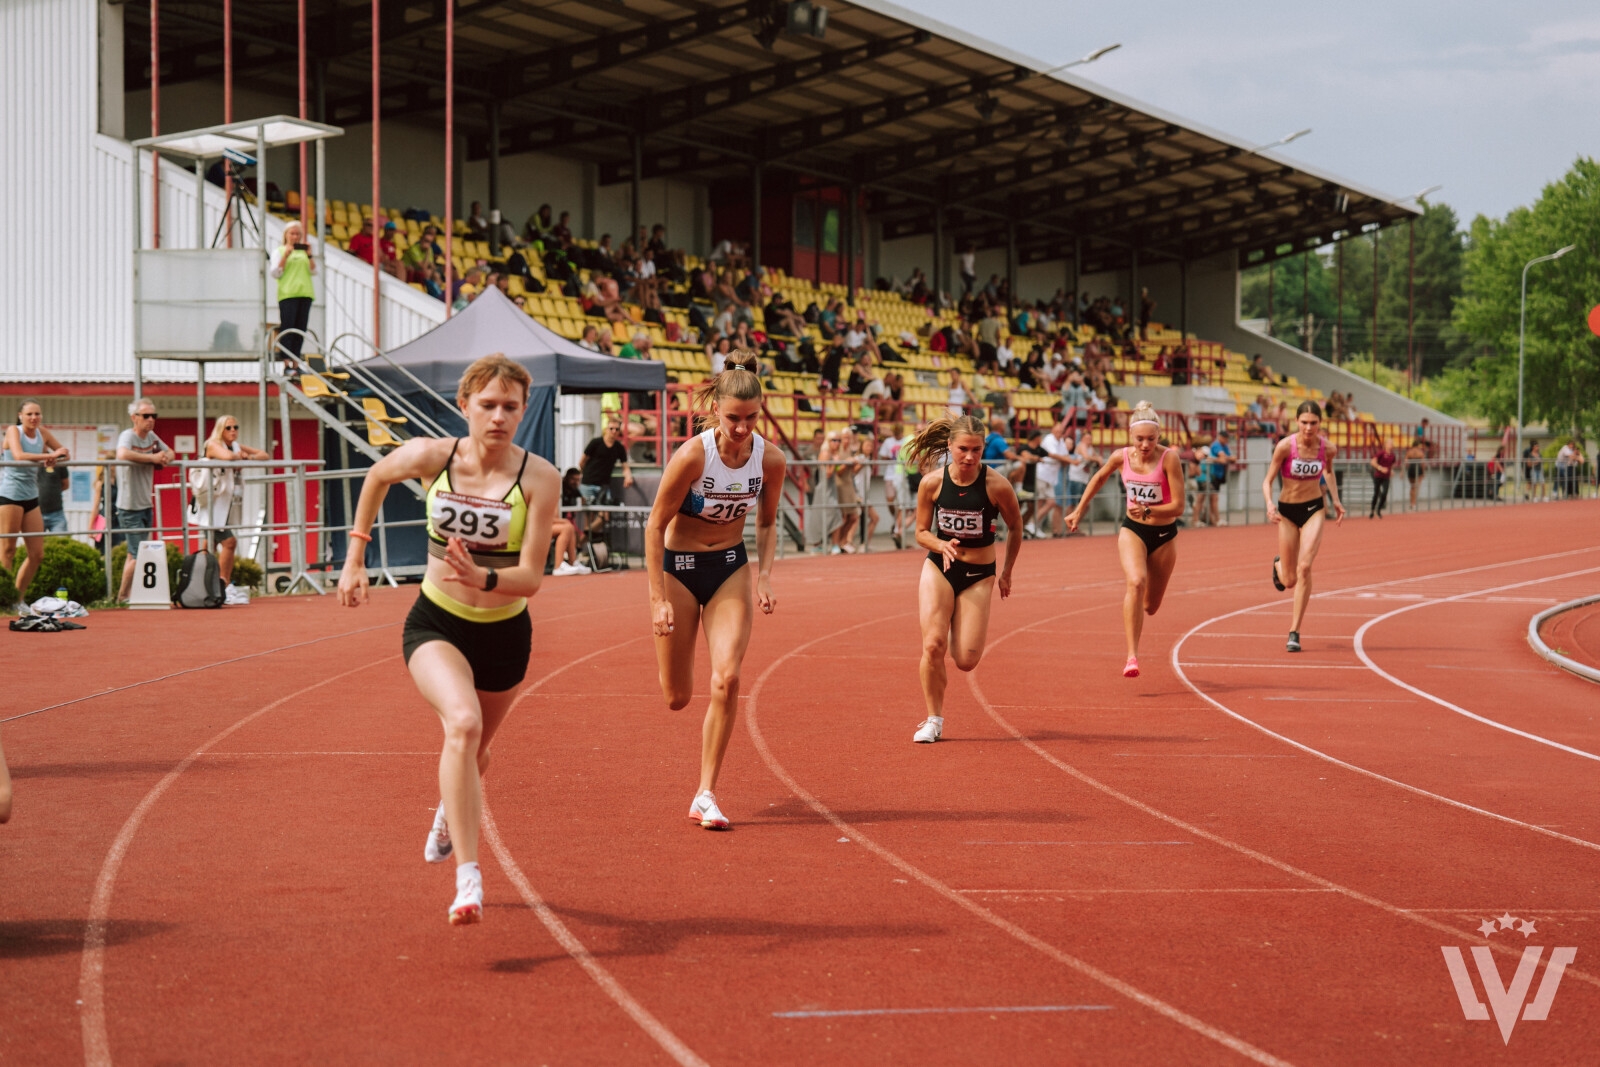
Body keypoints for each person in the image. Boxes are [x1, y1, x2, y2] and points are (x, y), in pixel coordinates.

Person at [337, 355, 559, 924]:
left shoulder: (539, 478)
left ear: (524, 410)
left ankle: (446, 810)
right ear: (464, 407)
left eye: (510, 407)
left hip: (505, 630)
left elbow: (532, 578)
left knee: (477, 750)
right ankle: (469, 879)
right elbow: (377, 475)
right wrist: (356, 555)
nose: (498, 417)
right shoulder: (435, 457)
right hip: (436, 622)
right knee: (462, 724)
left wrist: (482, 576)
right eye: (487, 406)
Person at [645, 356, 786, 830]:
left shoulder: (770, 459)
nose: (742, 428)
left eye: (751, 418)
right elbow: (655, 524)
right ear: (716, 410)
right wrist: (657, 598)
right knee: (677, 697)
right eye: (733, 418)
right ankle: (673, 652)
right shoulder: (692, 455)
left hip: (729, 567)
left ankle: (705, 793)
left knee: (726, 679)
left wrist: (764, 575)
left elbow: (766, 523)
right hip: (680, 570)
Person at [906, 415, 1023, 743]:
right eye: (962, 449)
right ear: (949, 446)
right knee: (933, 644)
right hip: (939, 568)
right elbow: (920, 532)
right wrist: (940, 544)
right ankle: (933, 720)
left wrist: (1007, 572)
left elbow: (1016, 527)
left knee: (966, 660)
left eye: (976, 449)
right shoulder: (932, 483)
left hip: (978, 576)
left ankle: (961, 617)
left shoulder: (996, 485)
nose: (970, 457)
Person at [1065, 401, 1186, 678]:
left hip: (1165, 536)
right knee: (1135, 582)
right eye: (1140, 439)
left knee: (1150, 606)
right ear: (1131, 436)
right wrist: (1079, 510)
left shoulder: (1169, 459)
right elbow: (1098, 477)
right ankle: (1132, 656)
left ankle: (1140, 619)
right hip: (1133, 530)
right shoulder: (1122, 457)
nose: (1145, 445)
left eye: (1151, 439)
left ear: (1159, 437)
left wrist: (1148, 509)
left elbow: (1178, 506)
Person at [1263, 400, 1346, 653]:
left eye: (1313, 423)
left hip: (1313, 509)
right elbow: (1267, 481)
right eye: (1304, 422)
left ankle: (1294, 632)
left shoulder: (1328, 449)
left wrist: (1336, 501)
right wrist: (1269, 504)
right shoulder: (1285, 447)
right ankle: (1278, 564)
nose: (1309, 427)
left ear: (1320, 424)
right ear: (1296, 422)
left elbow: (1329, 473)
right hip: (1287, 512)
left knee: (1305, 566)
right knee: (1289, 580)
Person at [2, 400, 71, 612]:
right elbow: (20, 455)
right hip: (10, 496)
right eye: (30, 414)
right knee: (8, 550)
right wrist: (49, 456)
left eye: (37, 414)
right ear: (20, 415)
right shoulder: (14, 430)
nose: (34, 418)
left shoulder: (42, 432)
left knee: (37, 554)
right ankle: (2, 600)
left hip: (31, 497)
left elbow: (63, 453)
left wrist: (59, 455)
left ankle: (16, 598)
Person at [192, 416, 271, 597]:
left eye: (236, 427)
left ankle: (204, 584)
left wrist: (247, 456)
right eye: (229, 428)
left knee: (209, 543)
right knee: (229, 542)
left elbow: (264, 454)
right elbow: (226, 457)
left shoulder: (235, 446)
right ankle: (223, 585)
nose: (233, 431)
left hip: (225, 504)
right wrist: (239, 457)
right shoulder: (213, 444)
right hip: (210, 503)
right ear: (221, 429)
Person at [115, 399, 176, 602]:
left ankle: (125, 596)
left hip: (145, 504)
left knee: (134, 554)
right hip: (129, 505)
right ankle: (122, 597)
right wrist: (152, 458)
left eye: (153, 416)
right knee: (138, 552)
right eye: (146, 416)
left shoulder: (151, 436)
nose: (151, 420)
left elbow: (170, 452)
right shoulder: (127, 435)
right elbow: (122, 454)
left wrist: (164, 457)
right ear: (134, 418)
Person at [271, 221, 317, 364]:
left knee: (300, 329)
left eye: (298, 234)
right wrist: (286, 255)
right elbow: (275, 272)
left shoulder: (304, 253)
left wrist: (309, 255)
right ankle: (286, 361)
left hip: (305, 293)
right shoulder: (278, 251)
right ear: (286, 235)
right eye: (292, 233)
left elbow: (314, 271)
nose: (295, 237)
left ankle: (296, 361)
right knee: (288, 327)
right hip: (288, 294)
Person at [579, 421, 634, 533]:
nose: (614, 431)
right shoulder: (595, 443)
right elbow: (582, 462)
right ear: (606, 429)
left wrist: (628, 477)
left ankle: (582, 540)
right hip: (588, 484)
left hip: (603, 486)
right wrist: (586, 475)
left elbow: (625, 466)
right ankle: (585, 545)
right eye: (611, 428)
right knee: (589, 516)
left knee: (604, 517)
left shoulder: (619, 447)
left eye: (617, 429)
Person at [1204, 429, 1232, 527]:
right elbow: (1224, 459)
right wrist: (1221, 459)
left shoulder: (1224, 446)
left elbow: (1231, 458)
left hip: (1217, 474)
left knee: (1213, 498)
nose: (1226, 441)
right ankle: (1215, 519)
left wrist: (1223, 459)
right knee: (1213, 498)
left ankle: (1213, 519)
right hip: (1212, 475)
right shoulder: (1216, 445)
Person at [1369, 435, 1395, 519]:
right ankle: (1372, 510)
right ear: (1386, 444)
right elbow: (1372, 462)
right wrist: (1380, 468)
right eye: (1390, 443)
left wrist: (1391, 470)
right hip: (1378, 476)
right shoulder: (1381, 453)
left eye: (1392, 443)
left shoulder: (1392, 455)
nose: (1391, 445)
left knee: (1385, 493)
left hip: (1386, 477)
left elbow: (1392, 464)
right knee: (1376, 493)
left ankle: (1378, 509)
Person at [1405, 435, 1428, 509]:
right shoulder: (1420, 452)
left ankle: (1411, 503)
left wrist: (1405, 470)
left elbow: (1406, 462)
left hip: (1411, 468)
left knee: (1412, 487)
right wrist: (1423, 472)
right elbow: (1423, 463)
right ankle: (1414, 503)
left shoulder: (1409, 452)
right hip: (1418, 468)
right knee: (1416, 487)